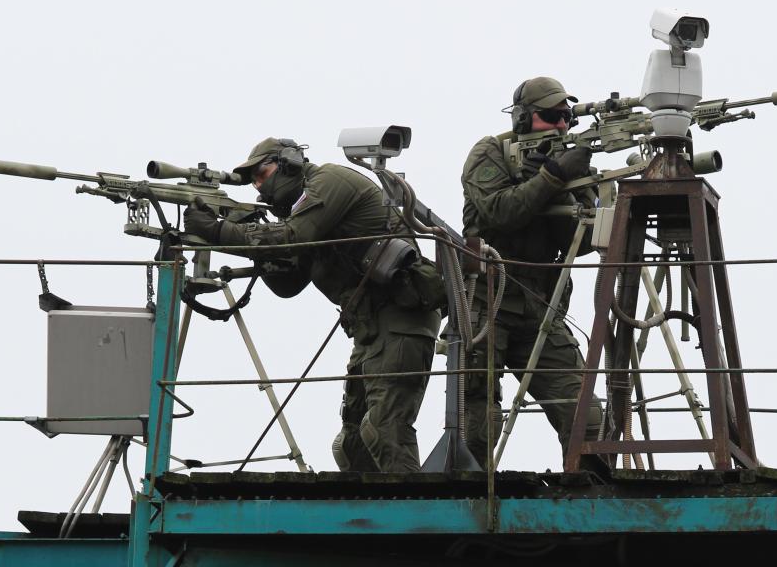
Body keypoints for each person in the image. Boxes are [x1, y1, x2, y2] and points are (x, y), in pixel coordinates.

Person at [184, 138, 443, 472]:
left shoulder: (329, 182)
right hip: (371, 331)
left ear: (289, 163)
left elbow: (292, 238)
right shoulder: (305, 215)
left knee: (383, 430)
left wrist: (219, 230)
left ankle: (415, 519)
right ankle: (373, 517)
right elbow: (288, 283)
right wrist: (244, 237)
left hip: (400, 320)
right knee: (352, 443)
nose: (260, 189)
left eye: (262, 175)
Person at [460, 76, 601, 467]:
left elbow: (585, 239)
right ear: (523, 119)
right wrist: (550, 177)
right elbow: (499, 213)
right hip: (487, 300)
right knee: (477, 416)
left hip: (541, 302)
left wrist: (566, 182)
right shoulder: (491, 152)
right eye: (550, 116)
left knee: (584, 414)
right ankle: (468, 505)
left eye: (567, 117)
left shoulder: (569, 162)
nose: (561, 125)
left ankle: (590, 498)